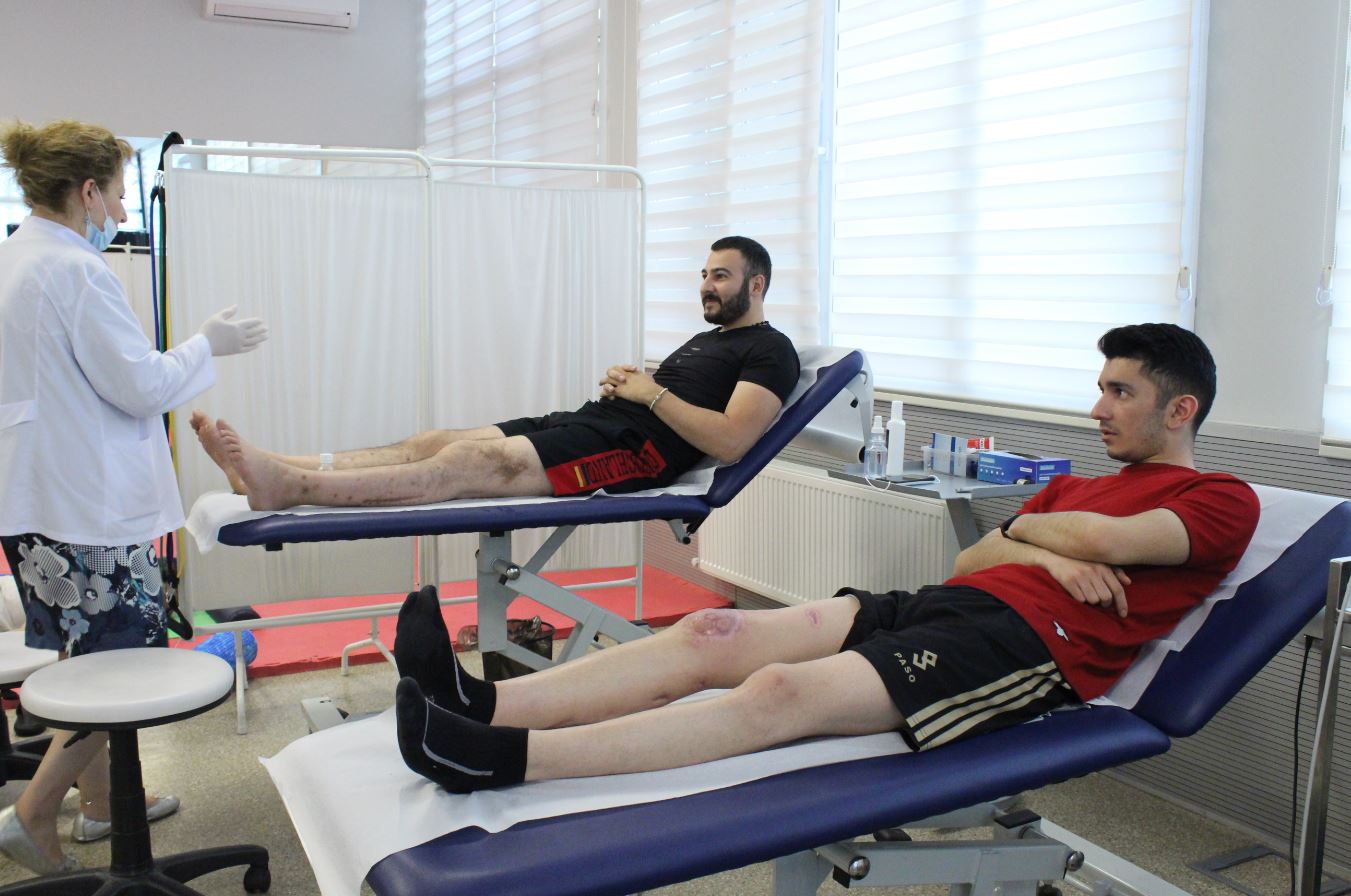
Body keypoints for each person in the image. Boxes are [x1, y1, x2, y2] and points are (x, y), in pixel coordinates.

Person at [389, 322, 1260, 793]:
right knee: (712, 633)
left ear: (1179, 409)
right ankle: (483, 701)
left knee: (778, 692)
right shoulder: (1071, 488)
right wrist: (1042, 546)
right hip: (949, 604)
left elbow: (1104, 544)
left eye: (1119, 392)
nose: (1097, 407)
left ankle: (503, 761)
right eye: (1100, 387)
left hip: (1029, 651)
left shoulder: (1220, 498)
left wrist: (1035, 542)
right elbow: (972, 562)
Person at [0, 119, 268, 874]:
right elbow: (140, 386)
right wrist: (206, 344)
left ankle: (101, 805)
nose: (121, 211)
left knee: (88, 663)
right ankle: (33, 812)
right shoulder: (74, 271)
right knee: (120, 666)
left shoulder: (14, 259)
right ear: (87, 191)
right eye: (117, 194)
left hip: (38, 503)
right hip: (86, 509)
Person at [192, 235, 800, 510]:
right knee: (435, 440)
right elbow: (670, 399)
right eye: (703, 274)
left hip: (634, 454)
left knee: (464, 464)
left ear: (757, 284)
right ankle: (274, 467)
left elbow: (731, 440)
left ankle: (290, 488)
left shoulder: (771, 350)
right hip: (598, 424)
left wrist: (650, 393)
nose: (706, 285)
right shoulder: (710, 339)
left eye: (720, 276)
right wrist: (632, 387)